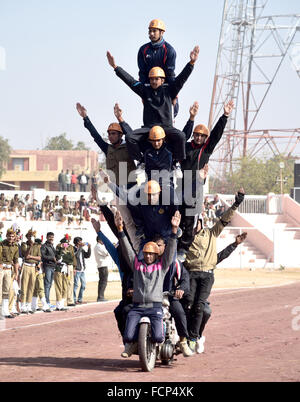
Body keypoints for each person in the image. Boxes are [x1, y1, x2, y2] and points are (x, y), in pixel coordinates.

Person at [106, 45, 199, 170]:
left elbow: (182, 78)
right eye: (151, 79)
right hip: (148, 127)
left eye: (157, 79)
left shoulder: (170, 90)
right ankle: (142, 161)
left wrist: (191, 63)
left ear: (162, 80)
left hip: (166, 127)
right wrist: (115, 67)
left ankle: (176, 164)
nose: (154, 81)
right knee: (129, 138)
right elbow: (130, 81)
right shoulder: (145, 91)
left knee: (181, 136)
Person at [182, 188, 245, 352]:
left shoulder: (211, 233)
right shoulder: (185, 240)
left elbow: (224, 220)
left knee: (199, 306)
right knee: (188, 303)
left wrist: (237, 203)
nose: (196, 225)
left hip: (207, 276)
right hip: (191, 274)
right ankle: (184, 336)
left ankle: (194, 338)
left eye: (198, 222)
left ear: (202, 223)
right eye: (193, 223)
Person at [115, 209, 180, 358]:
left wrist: (174, 231)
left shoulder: (162, 267)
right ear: (143, 254)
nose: (149, 256)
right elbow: (127, 249)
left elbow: (170, 251)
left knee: (158, 337)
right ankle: (135, 345)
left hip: (155, 308)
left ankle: (165, 340)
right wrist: (120, 230)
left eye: (151, 254)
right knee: (128, 337)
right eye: (146, 253)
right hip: (137, 308)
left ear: (156, 255)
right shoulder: (136, 265)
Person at [177, 100, 235, 261]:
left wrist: (225, 115)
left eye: (202, 136)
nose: (198, 137)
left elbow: (217, 134)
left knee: (190, 220)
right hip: (181, 185)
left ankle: (183, 249)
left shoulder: (206, 149)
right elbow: (182, 136)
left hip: (196, 187)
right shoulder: (186, 146)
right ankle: (175, 239)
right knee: (175, 211)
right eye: (196, 134)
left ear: (205, 138)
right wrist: (191, 118)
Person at [191, 232, 248, 354]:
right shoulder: (189, 261)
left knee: (205, 311)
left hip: (200, 299)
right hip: (186, 297)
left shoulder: (209, 261)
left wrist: (235, 244)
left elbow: (222, 255)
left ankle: (198, 336)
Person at [76, 102, 136, 187]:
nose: (110, 136)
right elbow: (96, 136)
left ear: (121, 135)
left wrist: (119, 117)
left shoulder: (129, 146)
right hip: (117, 188)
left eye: (113, 133)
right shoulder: (108, 148)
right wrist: (85, 118)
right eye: (109, 134)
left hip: (131, 187)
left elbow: (132, 136)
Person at [137, 19, 179, 117]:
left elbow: (170, 74)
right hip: (149, 88)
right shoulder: (143, 50)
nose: (151, 34)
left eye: (154, 31)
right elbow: (142, 73)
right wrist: (143, 93)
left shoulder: (169, 50)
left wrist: (174, 95)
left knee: (166, 119)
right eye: (150, 31)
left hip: (165, 88)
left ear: (162, 32)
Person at [20, 229, 41, 314]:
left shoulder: (37, 246)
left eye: (32, 236)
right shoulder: (24, 244)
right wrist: (30, 246)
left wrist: (31, 257)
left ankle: (28, 305)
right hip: (26, 266)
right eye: (29, 236)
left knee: (31, 287)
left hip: (33, 267)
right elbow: (25, 255)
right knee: (24, 286)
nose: (31, 238)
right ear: (27, 237)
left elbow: (39, 258)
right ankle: (22, 305)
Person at [0, 228, 19, 319]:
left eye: (12, 236)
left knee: (7, 290)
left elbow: (15, 260)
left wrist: (16, 272)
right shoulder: (2, 244)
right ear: (6, 236)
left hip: (8, 269)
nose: (11, 238)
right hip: (1, 268)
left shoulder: (15, 246)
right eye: (9, 236)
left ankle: (5, 310)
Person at [56, 234, 77, 308]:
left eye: (70, 238)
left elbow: (73, 257)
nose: (69, 240)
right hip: (64, 265)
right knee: (64, 283)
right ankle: (62, 300)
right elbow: (59, 254)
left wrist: (74, 267)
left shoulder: (71, 246)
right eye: (68, 238)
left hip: (70, 265)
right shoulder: (59, 245)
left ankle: (70, 300)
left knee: (71, 283)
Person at [31, 238, 51, 313]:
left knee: (36, 289)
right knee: (40, 288)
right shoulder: (34, 250)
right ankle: (44, 305)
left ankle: (34, 305)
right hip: (36, 270)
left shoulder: (38, 250)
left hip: (39, 271)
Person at [41, 232, 58, 307]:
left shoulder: (52, 246)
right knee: (47, 285)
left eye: (52, 237)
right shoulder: (44, 246)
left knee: (50, 284)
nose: (51, 238)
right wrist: (52, 258)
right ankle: (47, 302)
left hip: (52, 266)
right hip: (47, 266)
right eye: (50, 237)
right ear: (47, 237)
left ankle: (47, 301)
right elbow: (43, 256)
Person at [73, 237, 91, 304]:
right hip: (77, 270)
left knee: (83, 285)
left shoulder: (81, 249)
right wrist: (80, 247)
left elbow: (87, 256)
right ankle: (74, 299)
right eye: (80, 242)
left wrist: (89, 248)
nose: (81, 243)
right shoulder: (73, 249)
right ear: (77, 242)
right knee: (76, 285)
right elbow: (76, 256)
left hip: (82, 270)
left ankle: (80, 299)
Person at [94, 236, 109, 302]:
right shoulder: (98, 246)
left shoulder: (98, 246)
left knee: (102, 281)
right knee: (103, 281)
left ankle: (101, 296)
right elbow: (106, 253)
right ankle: (100, 296)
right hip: (102, 266)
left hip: (102, 265)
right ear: (99, 240)